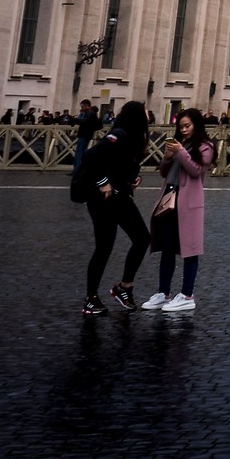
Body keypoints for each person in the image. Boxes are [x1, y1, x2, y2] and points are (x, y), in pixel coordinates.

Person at [81, 101, 152, 316]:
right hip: (103, 199)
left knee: (142, 238)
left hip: (120, 197)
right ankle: (91, 298)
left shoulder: (133, 137)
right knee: (104, 248)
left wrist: (133, 179)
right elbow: (90, 157)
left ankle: (124, 287)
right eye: (145, 112)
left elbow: (120, 165)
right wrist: (103, 182)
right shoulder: (118, 135)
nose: (148, 115)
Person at [145, 110, 216, 312]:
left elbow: (196, 170)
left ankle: (187, 295)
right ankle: (163, 292)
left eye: (187, 126)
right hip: (169, 197)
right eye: (181, 127)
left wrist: (180, 152)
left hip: (188, 202)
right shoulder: (178, 144)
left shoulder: (206, 146)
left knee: (190, 249)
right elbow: (164, 173)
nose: (183, 130)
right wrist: (167, 158)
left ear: (197, 125)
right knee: (167, 247)